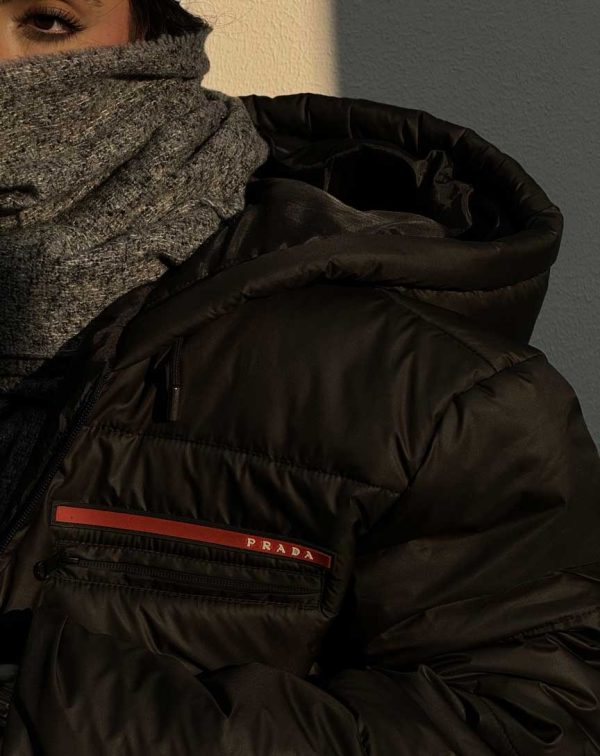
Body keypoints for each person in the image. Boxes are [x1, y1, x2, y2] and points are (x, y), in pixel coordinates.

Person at [0, 1, 599, 754]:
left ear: (149, 30)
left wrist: (39, 714)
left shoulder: (433, 397)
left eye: (49, 21)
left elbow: (534, 725)